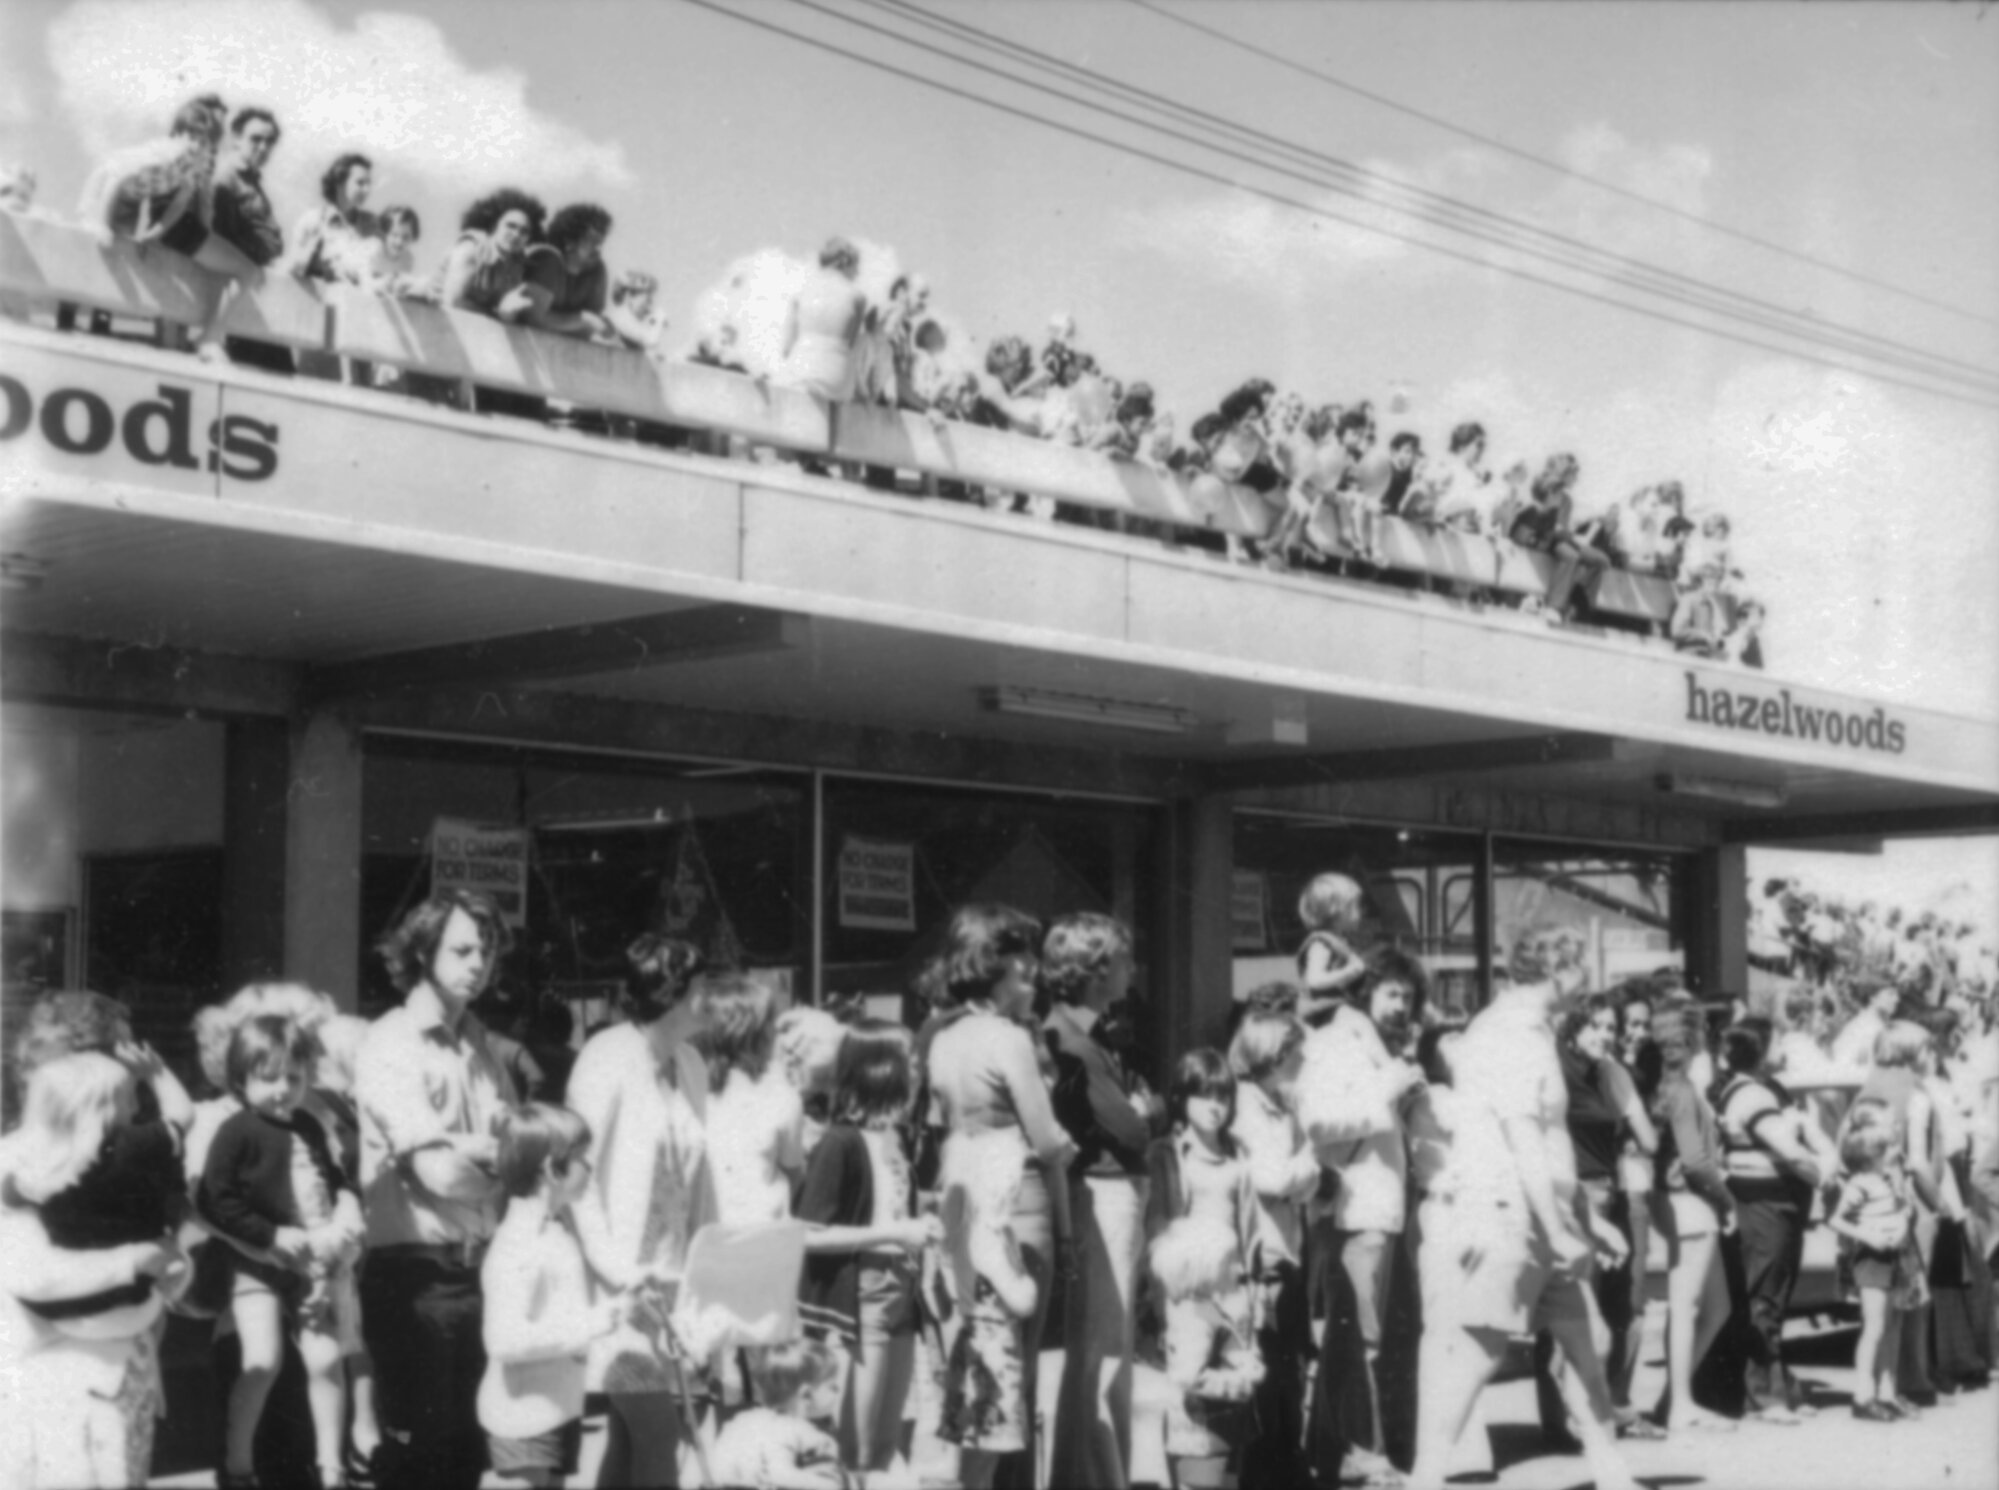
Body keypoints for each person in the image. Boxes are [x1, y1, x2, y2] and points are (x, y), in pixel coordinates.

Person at [1406, 926, 1640, 1490]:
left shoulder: (1529, 1029)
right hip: (1504, 1211)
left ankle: (1612, 1474)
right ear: (1560, 968)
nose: (1588, 981)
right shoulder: (1511, 1032)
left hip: (1536, 1214)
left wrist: (1582, 1218)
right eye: (1583, 967)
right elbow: (1522, 1137)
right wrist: (1560, 1228)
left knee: (1590, 1341)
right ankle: (1424, 1479)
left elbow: (1549, 1139)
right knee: (1476, 1355)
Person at [356, 889, 521, 1490]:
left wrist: (473, 1149)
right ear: (422, 952)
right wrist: (489, 1156)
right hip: (415, 1282)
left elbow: (518, 1150)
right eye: (462, 949)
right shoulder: (391, 1043)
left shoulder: (481, 1046)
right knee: (416, 1461)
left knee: (466, 1462)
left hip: (481, 1275)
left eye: (487, 950)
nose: (479, 962)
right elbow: (440, 1175)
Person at [927, 903, 1078, 1490]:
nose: (1034, 972)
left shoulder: (944, 1036)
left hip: (963, 1200)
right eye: (1023, 962)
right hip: (1020, 1204)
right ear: (994, 964)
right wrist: (1061, 1140)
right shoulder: (1008, 1038)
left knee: (980, 1367)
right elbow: (1047, 1139)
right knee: (1018, 1374)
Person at [0, 1050, 192, 1490]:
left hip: (65, 1331)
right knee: (110, 1467)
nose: (136, 1107)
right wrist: (142, 1261)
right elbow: (183, 1115)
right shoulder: (138, 1148)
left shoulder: (30, 1168)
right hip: (103, 1337)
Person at [565, 933, 713, 1489]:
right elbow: (577, 1181)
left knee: (630, 1441)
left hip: (671, 1290)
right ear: (672, 991)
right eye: (701, 986)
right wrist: (617, 1273)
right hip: (616, 1290)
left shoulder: (692, 1063)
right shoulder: (606, 1058)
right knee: (658, 1433)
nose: (710, 999)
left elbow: (697, 1178)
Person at [200, 1014, 362, 1490]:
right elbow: (216, 1199)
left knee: (326, 1359)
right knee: (262, 1360)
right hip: (260, 1264)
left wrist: (343, 1218)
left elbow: (332, 1180)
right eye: (268, 1077)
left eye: (294, 1077)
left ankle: (332, 1465)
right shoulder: (237, 1131)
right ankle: (237, 1465)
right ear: (241, 1077)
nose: (282, 1089)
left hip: (316, 1261)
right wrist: (268, 1236)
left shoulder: (310, 1124)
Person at [1042, 912, 1157, 1490]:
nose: (1131, 968)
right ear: (1092, 971)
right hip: (1105, 1197)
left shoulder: (1088, 1035)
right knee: (1103, 1351)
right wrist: (1146, 1110)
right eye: (1121, 958)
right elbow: (1134, 1132)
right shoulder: (1075, 1043)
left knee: (1100, 1353)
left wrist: (1140, 1111)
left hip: (1112, 1196)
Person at [794, 1018, 938, 1475]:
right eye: (910, 1063)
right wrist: (895, 1234)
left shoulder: (895, 1139)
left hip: (900, 1290)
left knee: (884, 1442)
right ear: (880, 1071)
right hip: (862, 1295)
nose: (919, 1073)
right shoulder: (840, 1142)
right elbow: (809, 1233)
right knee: (851, 1444)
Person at [1531, 994, 1660, 1446]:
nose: (1606, 1035)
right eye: (1597, 1027)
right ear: (1573, 1029)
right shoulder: (1558, 1070)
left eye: (1611, 1027)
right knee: (1572, 1309)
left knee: (1604, 1307)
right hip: (1576, 1193)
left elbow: (1644, 1137)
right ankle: (1562, 1421)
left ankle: (1586, 1415)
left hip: (1606, 1191)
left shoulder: (1603, 1072)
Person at [478, 1102, 619, 1489]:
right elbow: (504, 1341)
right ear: (550, 1169)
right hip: (524, 1415)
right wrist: (593, 1325)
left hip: (557, 1406)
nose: (590, 1168)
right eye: (580, 1159)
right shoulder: (518, 1242)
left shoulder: (554, 1231)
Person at [1144, 1049, 1262, 1490]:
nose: (1215, 1106)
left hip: (1232, 1292)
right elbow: (1157, 1233)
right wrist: (1158, 1306)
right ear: (1182, 1098)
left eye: (1223, 1097)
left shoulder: (1238, 1155)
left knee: (1235, 1396)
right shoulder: (1167, 1154)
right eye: (1203, 1095)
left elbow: (1251, 1231)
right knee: (1189, 1397)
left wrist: (1254, 1292)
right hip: (1187, 1294)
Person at [1713, 1022, 1824, 1422]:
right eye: (1778, 1040)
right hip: (1765, 1204)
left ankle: (1778, 1386)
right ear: (1759, 1049)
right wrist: (1824, 1175)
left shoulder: (1764, 1088)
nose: (1785, 1048)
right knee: (1765, 1299)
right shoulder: (1753, 1093)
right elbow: (1790, 1150)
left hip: (1776, 1203)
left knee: (1772, 1297)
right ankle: (1764, 1395)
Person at [1226, 1008, 1318, 1490]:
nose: (1304, 1058)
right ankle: (1270, 1472)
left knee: (1290, 1366)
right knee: (1271, 1369)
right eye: (1297, 1049)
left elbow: (1296, 1186)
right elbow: (1274, 1179)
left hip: (1287, 1247)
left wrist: (1299, 1173)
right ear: (1276, 1053)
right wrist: (1309, 1156)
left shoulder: (1280, 1106)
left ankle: (1285, 1464)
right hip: (1265, 1252)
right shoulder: (1246, 1106)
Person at [1647, 1005, 1737, 1433]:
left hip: (1685, 1203)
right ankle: (1680, 1405)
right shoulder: (1681, 1090)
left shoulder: (1671, 1087)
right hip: (1691, 1201)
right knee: (1688, 1308)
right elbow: (1695, 1159)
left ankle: (1674, 1396)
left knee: (1714, 1307)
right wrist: (1725, 1199)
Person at [1829, 1109, 1924, 1421]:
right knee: (1874, 1327)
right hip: (1872, 1259)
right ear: (1870, 1156)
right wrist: (1868, 1235)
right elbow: (1837, 1220)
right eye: (1889, 1148)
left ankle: (1887, 1391)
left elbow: (1903, 1209)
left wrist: (1903, 1219)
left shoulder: (1887, 1179)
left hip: (1895, 1257)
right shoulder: (1860, 1184)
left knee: (1893, 1325)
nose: (1895, 1152)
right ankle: (1863, 1394)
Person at [694, 973, 807, 1228]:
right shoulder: (781, 1095)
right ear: (756, 1033)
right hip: (764, 1237)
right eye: (771, 1025)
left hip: (705, 1239)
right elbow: (793, 1173)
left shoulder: (688, 1090)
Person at [76, 93, 225, 249]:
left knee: (122, 243)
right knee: (96, 233)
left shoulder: (190, 168)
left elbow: (178, 204)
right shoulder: (161, 157)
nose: (198, 148)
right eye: (194, 139)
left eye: (204, 144)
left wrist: (154, 234)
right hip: (103, 188)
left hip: (128, 201)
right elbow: (115, 178)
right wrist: (102, 225)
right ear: (180, 135)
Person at [708, 1338, 847, 1489]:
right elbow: (779, 1474)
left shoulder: (747, 1420)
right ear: (806, 1394)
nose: (838, 1391)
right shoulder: (787, 1428)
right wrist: (826, 1485)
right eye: (832, 1386)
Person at [435, 187, 545, 322]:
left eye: (524, 231)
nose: (516, 235)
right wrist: (499, 314)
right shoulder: (471, 249)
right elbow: (452, 301)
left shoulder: (517, 264)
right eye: (511, 225)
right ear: (494, 225)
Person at [779, 236, 867, 403]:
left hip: (801, 371)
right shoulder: (857, 297)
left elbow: (786, 348)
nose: (857, 273)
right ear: (844, 262)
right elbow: (851, 345)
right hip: (837, 378)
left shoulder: (801, 292)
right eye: (855, 266)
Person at [522, 203, 614, 340]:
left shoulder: (597, 271)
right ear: (569, 241)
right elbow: (533, 319)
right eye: (593, 241)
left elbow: (589, 330)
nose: (599, 249)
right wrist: (584, 319)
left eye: (601, 243)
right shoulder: (548, 260)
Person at [287, 151, 379, 285]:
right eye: (360, 183)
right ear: (340, 183)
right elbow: (292, 270)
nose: (367, 190)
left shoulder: (372, 225)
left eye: (368, 184)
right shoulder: (313, 220)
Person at [208, 107, 284, 269]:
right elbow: (223, 240)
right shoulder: (225, 180)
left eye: (270, 141)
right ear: (236, 138)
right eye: (256, 139)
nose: (263, 148)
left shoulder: (251, 179)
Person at [1294, 872, 1367, 1026]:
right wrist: (1350, 972)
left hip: (1335, 1012)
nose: (1361, 911)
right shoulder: (1322, 944)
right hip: (1322, 1014)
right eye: (1355, 905)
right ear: (1335, 911)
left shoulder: (1342, 942)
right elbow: (1315, 980)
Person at [1831, 979, 1903, 1072]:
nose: (1897, 999)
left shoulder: (1881, 1026)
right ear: (1872, 998)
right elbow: (1842, 1067)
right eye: (1891, 994)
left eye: (1897, 995)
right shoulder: (1861, 1027)